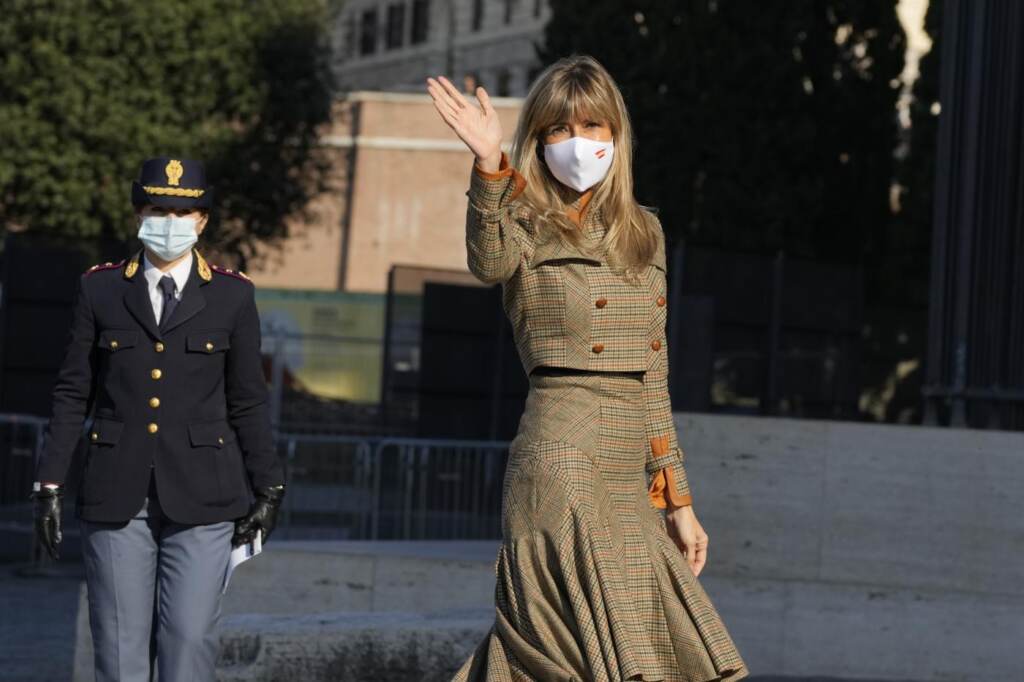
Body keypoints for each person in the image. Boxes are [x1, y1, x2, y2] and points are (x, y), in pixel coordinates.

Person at [427, 56, 749, 681]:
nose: (580, 143)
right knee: (564, 650)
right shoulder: (516, 215)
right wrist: (491, 163)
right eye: (559, 130)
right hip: (560, 451)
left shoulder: (644, 231)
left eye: (595, 126)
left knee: (653, 648)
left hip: (628, 464)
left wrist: (678, 498)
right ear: (539, 140)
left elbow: (654, 372)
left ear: (617, 136)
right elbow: (488, 263)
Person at [30, 157, 286, 682]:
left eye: (182, 211)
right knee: (120, 649)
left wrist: (270, 487)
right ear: (138, 214)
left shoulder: (233, 295)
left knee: (188, 643)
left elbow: (248, 400)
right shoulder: (100, 289)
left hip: (205, 494)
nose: (170, 222)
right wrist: (49, 481)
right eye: (157, 209)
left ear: (202, 221)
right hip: (116, 491)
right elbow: (73, 390)